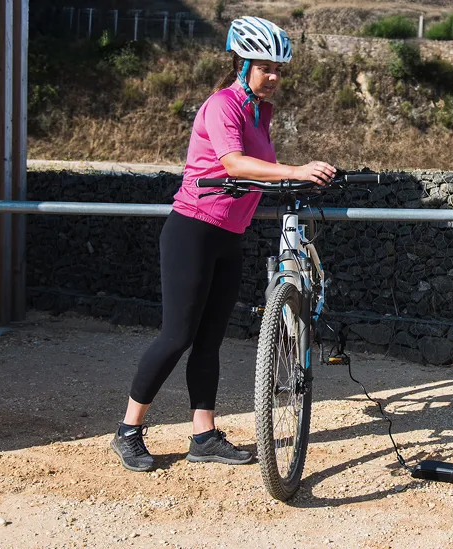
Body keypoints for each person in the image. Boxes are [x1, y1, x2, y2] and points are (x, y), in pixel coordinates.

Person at [111, 16, 336, 472]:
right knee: (177, 336)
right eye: (266, 67)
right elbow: (234, 163)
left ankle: (203, 435)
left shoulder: (258, 112)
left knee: (211, 341)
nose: (274, 76)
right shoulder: (223, 105)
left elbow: (257, 173)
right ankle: (128, 430)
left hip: (230, 235)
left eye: (279, 69)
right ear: (243, 63)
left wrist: (301, 182)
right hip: (193, 229)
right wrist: (294, 170)